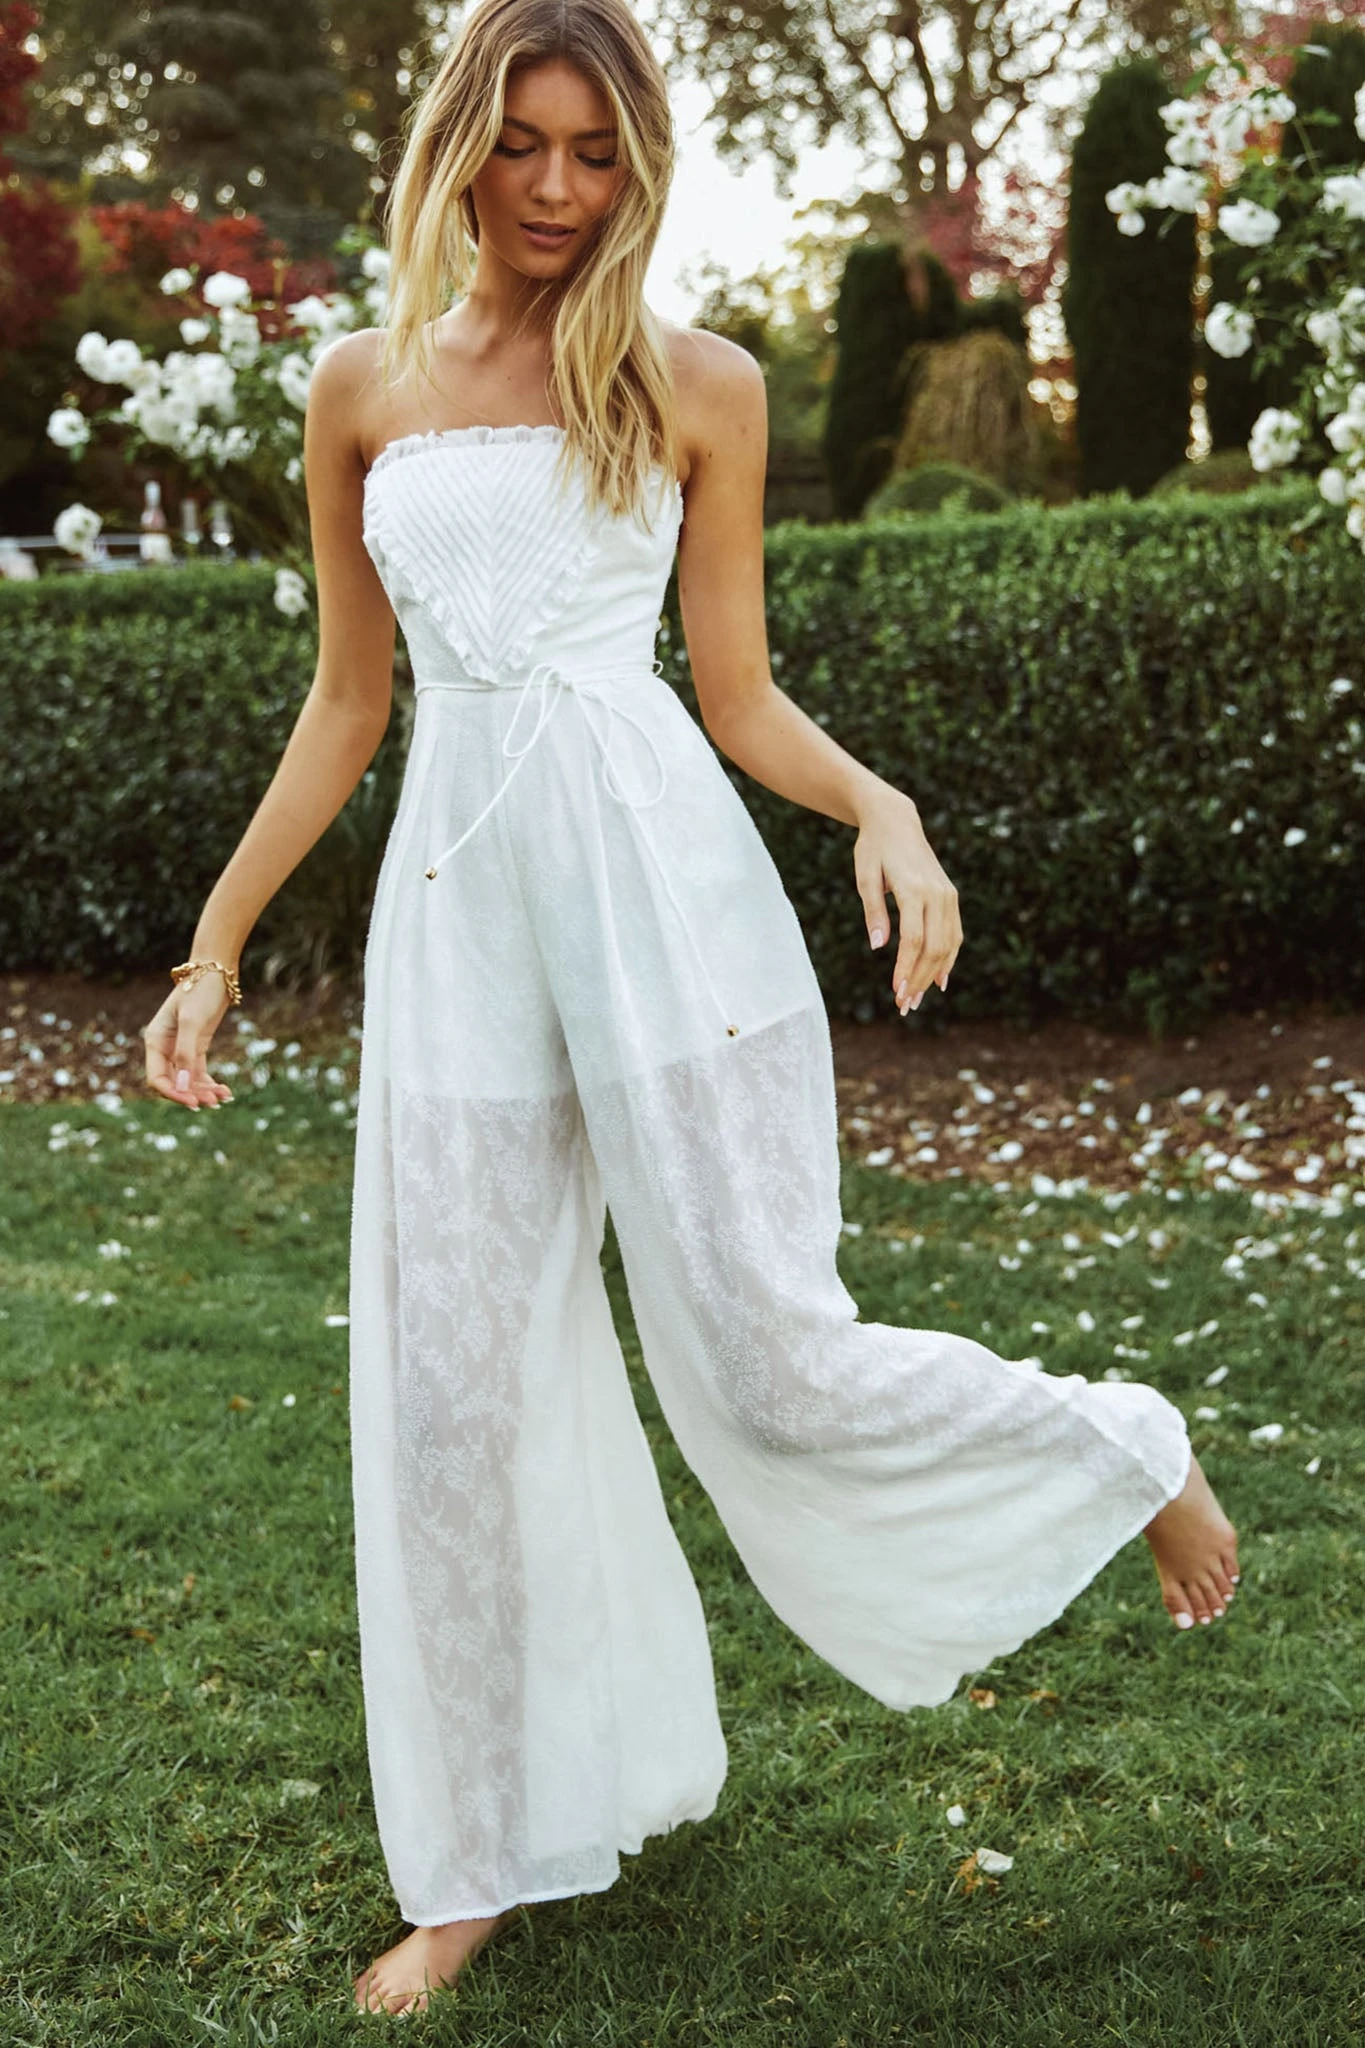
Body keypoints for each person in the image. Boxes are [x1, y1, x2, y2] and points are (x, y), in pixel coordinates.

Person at [141, 0, 1241, 2017]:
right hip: (461, 929)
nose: (557, 191)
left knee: (766, 1358)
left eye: (597, 154)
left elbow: (733, 694)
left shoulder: (697, 382)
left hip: (663, 908)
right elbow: (348, 699)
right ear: (458, 145)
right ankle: (478, 1857)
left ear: (640, 168)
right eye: (522, 145)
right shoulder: (360, 386)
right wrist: (216, 943)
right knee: (452, 1403)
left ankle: (1120, 1444)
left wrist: (884, 805)